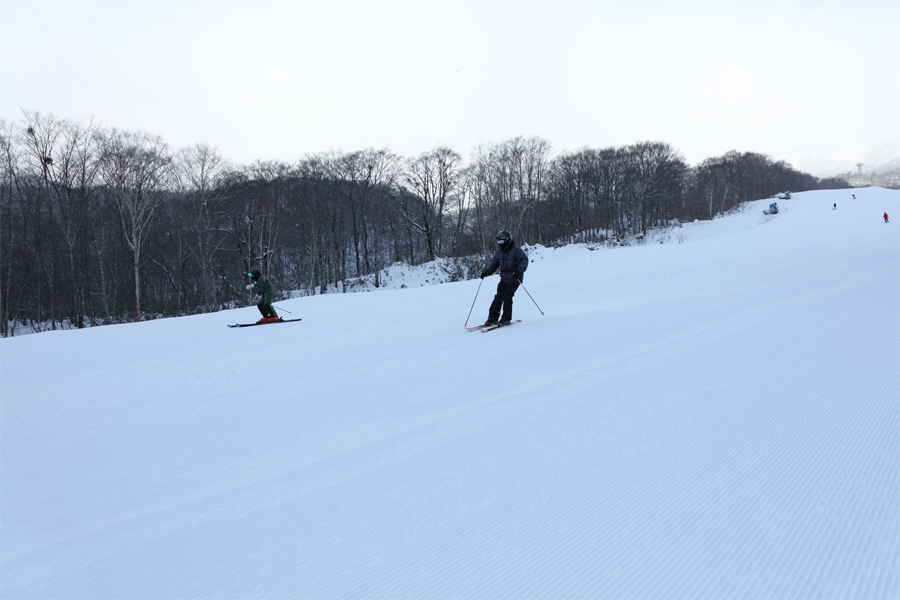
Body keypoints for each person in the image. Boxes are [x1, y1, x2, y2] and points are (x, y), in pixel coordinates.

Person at [479, 230, 528, 326]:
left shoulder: (516, 251)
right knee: (498, 297)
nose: (500, 244)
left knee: (507, 297)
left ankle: (506, 318)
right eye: (498, 242)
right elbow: (494, 264)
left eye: (501, 241)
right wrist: (488, 272)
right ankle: (492, 318)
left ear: (507, 239)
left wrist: (519, 271)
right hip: (504, 278)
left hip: (514, 278)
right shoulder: (499, 252)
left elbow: (524, 260)